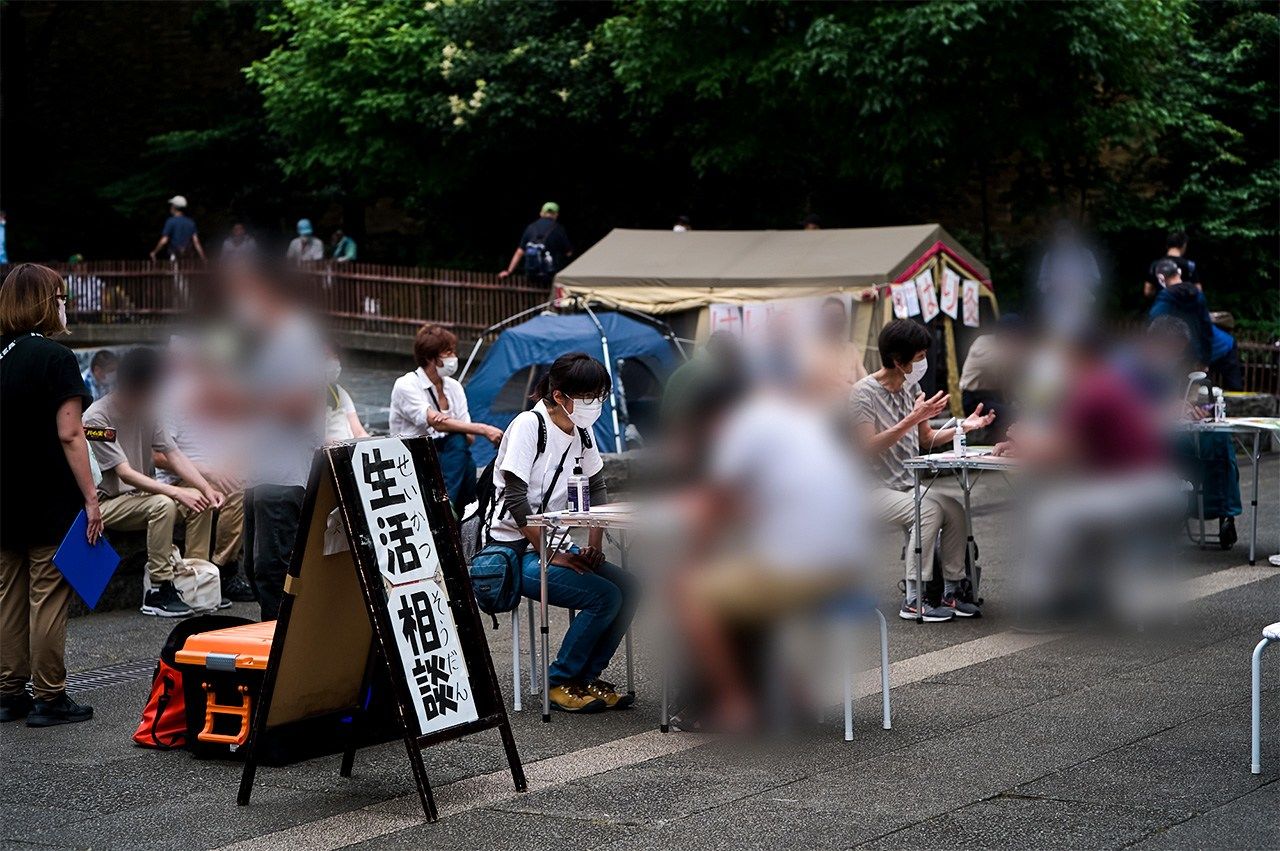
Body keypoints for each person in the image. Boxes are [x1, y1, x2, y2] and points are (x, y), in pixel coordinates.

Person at [480, 353, 637, 712]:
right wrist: (552, 555)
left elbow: (597, 486)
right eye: (588, 396)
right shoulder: (528, 426)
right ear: (561, 394)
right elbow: (516, 501)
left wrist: (594, 544)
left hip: (555, 545)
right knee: (605, 597)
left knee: (631, 587)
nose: (594, 404)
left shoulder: (582, 430)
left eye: (599, 395)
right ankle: (561, 680)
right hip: (516, 551)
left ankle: (586, 677)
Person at [0, 263, 98, 726]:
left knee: (8, 598)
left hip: (4, 497)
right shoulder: (56, 358)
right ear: (45, 303)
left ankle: (9, 691)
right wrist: (92, 500)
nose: (64, 306)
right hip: (48, 498)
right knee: (47, 595)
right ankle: (50, 696)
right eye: (61, 298)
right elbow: (70, 433)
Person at [851, 319, 995, 622]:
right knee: (927, 510)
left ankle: (952, 591)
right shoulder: (863, 393)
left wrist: (960, 426)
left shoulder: (910, 386)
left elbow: (926, 439)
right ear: (897, 360)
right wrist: (911, 418)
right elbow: (867, 447)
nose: (923, 363)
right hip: (869, 491)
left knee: (955, 509)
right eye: (918, 357)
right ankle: (914, 599)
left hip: (906, 484)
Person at [84, 347, 225, 617]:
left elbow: (173, 454)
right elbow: (124, 473)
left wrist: (206, 489)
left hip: (139, 496)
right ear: (139, 386)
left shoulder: (148, 409)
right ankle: (158, 589)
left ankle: (193, 579)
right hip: (108, 503)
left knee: (199, 498)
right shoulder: (96, 419)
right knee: (163, 504)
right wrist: (175, 492)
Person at [389, 324, 501, 511]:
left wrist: (447, 423)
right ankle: (452, 509)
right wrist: (484, 429)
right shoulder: (406, 384)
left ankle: (453, 510)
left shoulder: (454, 387)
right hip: (413, 455)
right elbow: (435, 422)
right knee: (460, 449)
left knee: (462, 451)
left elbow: (468, 438)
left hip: (448, 455)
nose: (453, 358)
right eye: (448, 353)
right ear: (430, 358)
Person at [959, 314, 1025, 444]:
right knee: (1009, 414)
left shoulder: (1009, 348)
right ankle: (994, 445)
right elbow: (1006, 359)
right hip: (976, 399)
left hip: (997, 396)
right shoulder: (983, 344)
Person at [498, 202, 573, 285]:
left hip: (531, 276)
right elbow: (568, 253)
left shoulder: (531, 228)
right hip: (550, 278)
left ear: (541, 213)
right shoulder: (559, 229)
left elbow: (519, 252)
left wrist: (509, 271)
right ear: (556, 215)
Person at [323, 344, 368, 443]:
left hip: (348, 450)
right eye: (327, 358)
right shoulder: (300, 396)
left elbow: (359, 432)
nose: (333, 362)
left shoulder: (337, 391)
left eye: (335, 357)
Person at [1143, 230, 1201, 299]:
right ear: (1184, 245)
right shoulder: (1189, 265)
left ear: (1167, 245)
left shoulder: (1155, 265)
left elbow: (1148, 291)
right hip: (1183, 307)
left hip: (1162, 306)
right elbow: (1198, 291)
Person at [149, 195, 206, 262]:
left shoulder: (170, 221)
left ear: (174, 207)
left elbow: (164, 240)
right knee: (187, 271)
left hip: (174, 255)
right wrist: (203, 258)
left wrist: (154, 252)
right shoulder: (191, 222)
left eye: (171, 205)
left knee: (174, 272)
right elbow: (196, 242)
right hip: (188, 256)